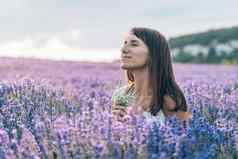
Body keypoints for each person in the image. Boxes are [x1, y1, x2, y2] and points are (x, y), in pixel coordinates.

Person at [111, 27, 192, 123]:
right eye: (125, 44)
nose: (123, 49)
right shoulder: (121, 95)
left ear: (153, 53)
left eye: (134, 44)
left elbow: (183, 136)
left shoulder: (168, 99)